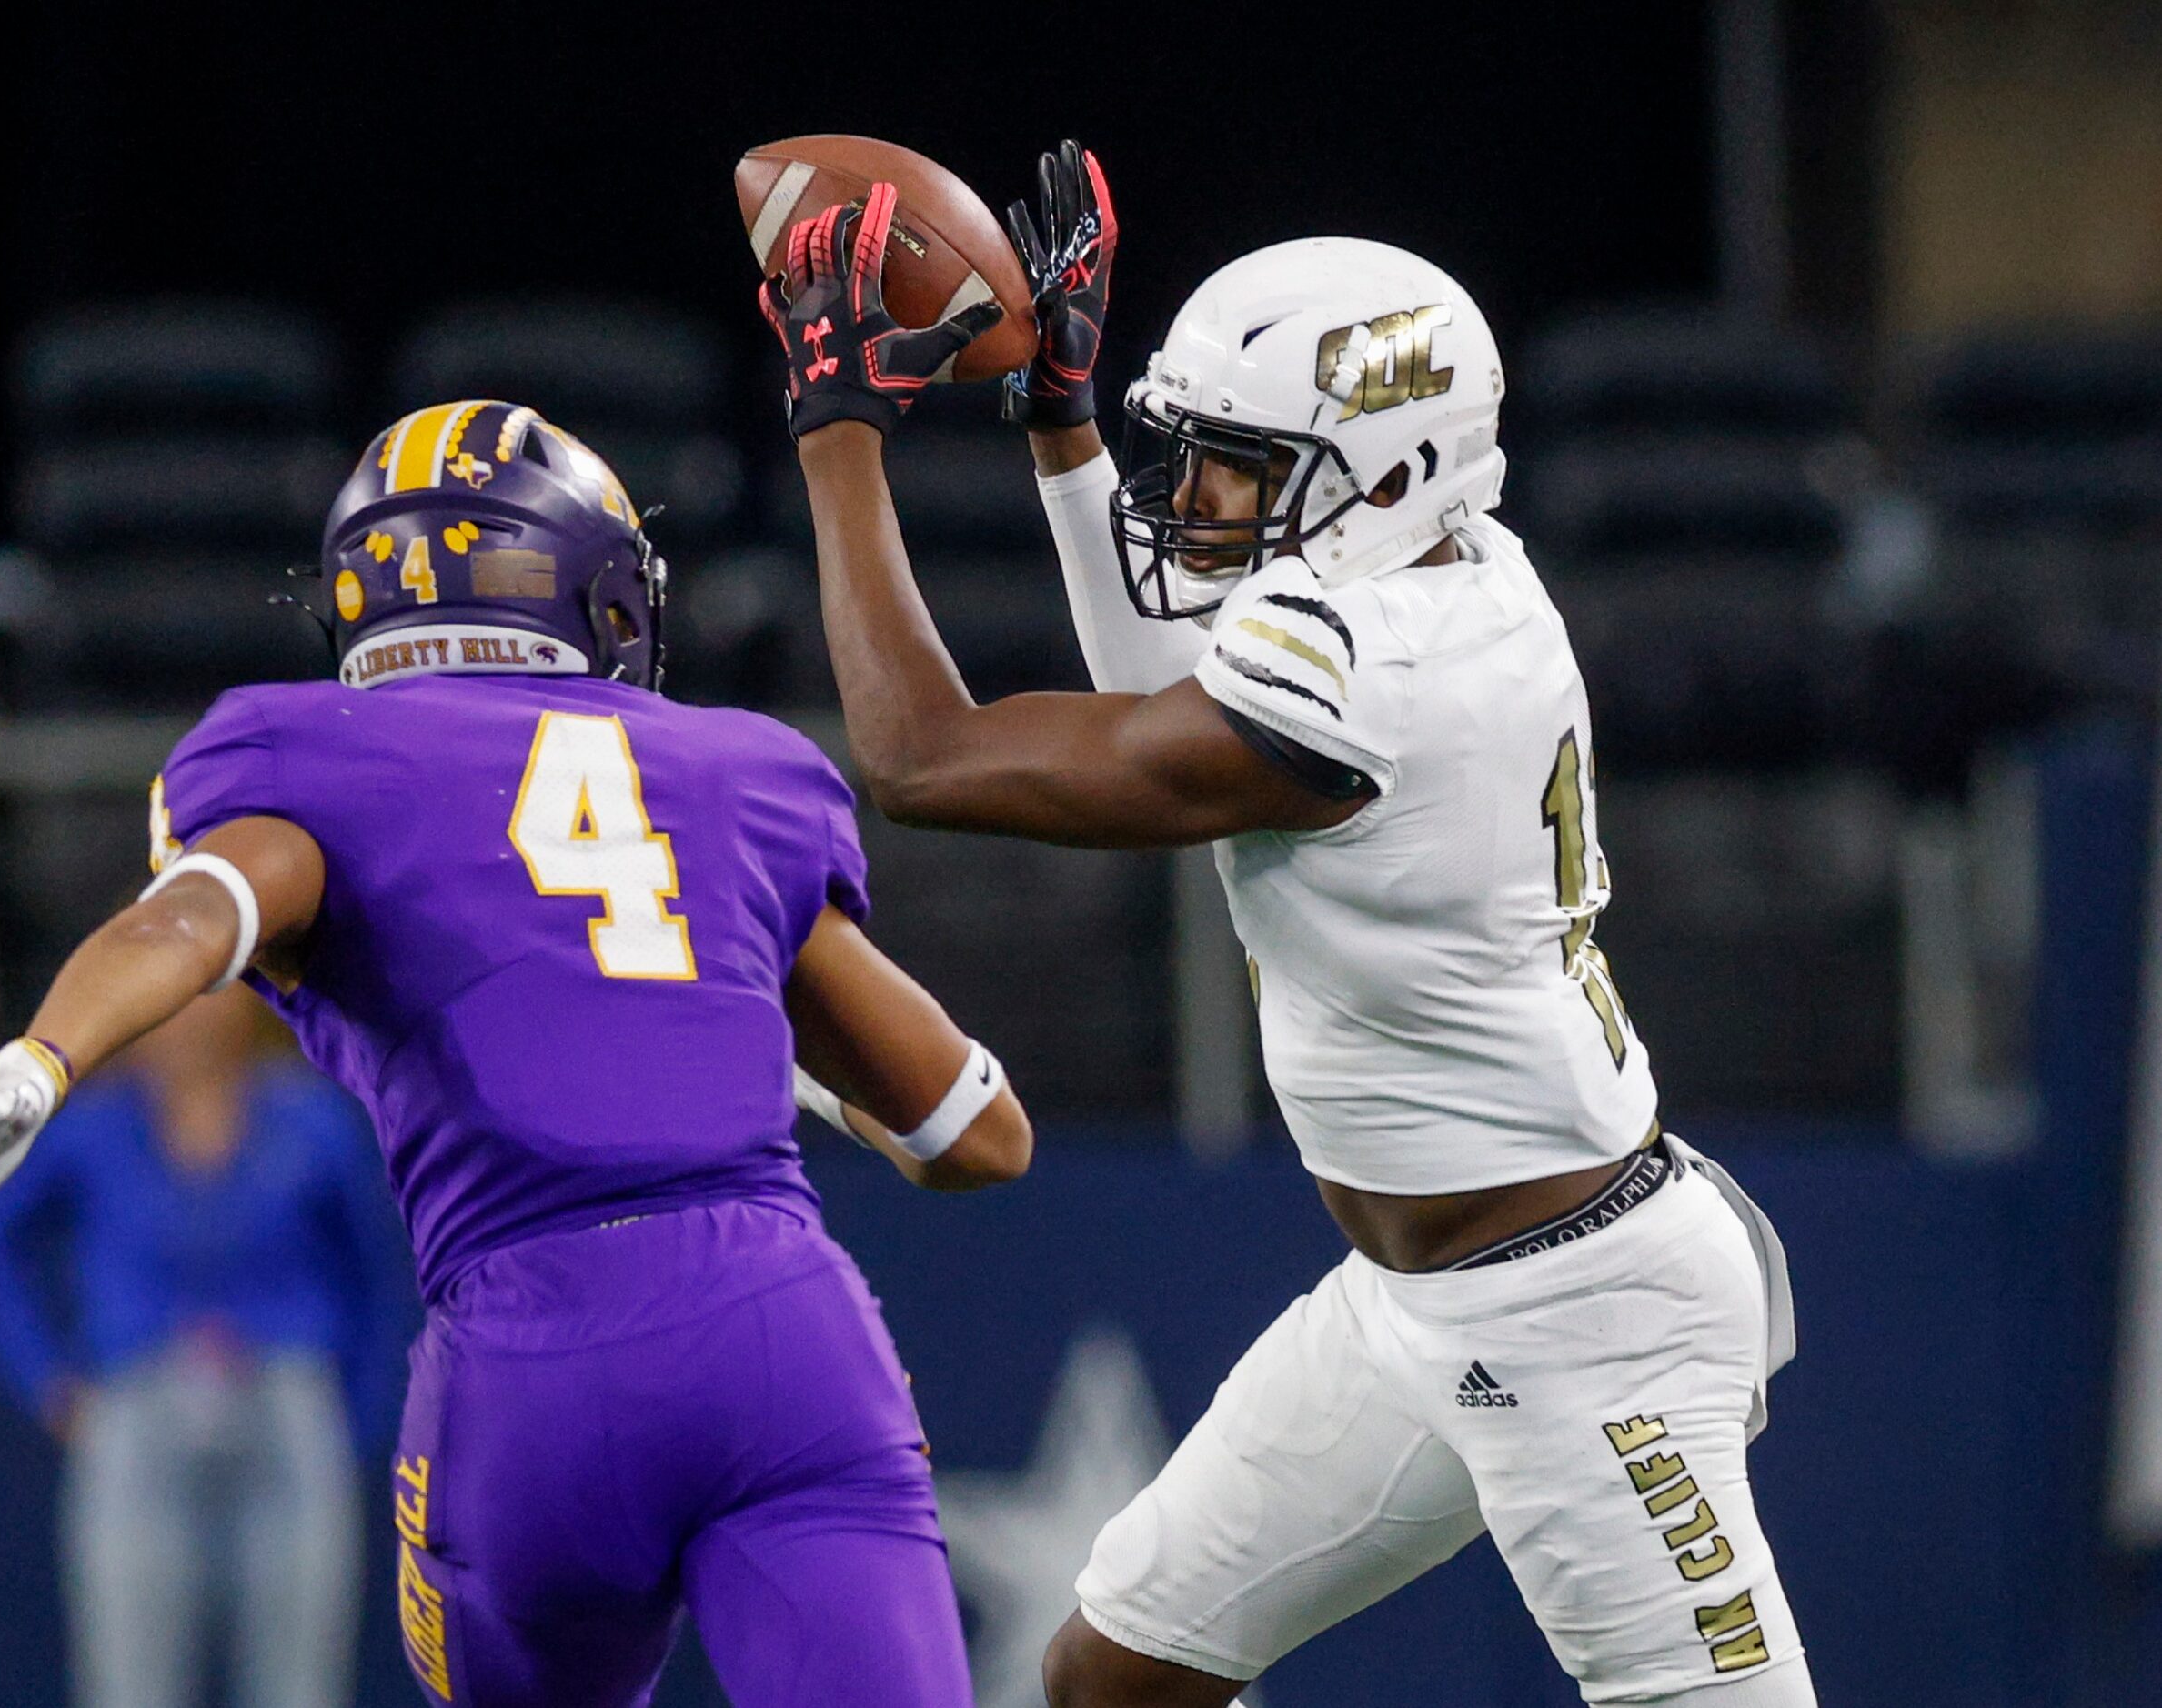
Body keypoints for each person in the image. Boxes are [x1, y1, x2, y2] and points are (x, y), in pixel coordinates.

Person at [752, 146, 1813, 1705]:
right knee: (1116, 1676)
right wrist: (1056, 422)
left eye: (1236, 468)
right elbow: (1155, 701)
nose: (1191, 502)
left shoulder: (1372, 670)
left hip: (1579, 1313)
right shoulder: (1434, 568)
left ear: (1381, 478)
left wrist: (835, 433)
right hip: (1410, 1298)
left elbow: (923, 760)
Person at [0, 397, 1031, 1708]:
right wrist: (749, 1031)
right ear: (595, 593)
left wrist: (42, 1058)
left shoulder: (309, 751)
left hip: (535, 1359)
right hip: (788, 1334)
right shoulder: (737, 769)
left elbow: (196, 914)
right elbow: (975, 1133)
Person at [0, 983, 404, 1708]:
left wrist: (357, 1420)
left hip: (288, 1411)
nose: (193, 1014)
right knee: (130, 1684)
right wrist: (46, 1378)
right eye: (172, 994)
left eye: (210, 991)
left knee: (300, 1685)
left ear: (246, 998)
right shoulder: (93, 1127)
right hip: (137, 1411)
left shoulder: (311, 1118)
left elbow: (379, 1278)